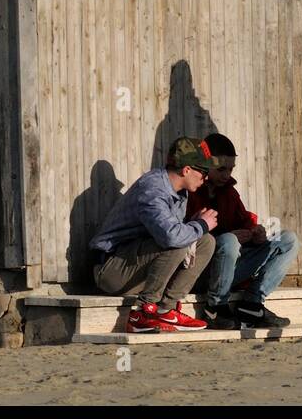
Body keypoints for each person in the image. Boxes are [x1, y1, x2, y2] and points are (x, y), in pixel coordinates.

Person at [89, 136, 219, 334]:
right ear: (186, 170)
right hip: (111, 271)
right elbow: (170, 237)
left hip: (136, 268)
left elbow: (172, 232)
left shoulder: (179, 190)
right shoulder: (153, 190)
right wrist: (200, 224)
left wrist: (194, 226)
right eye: (204, 172)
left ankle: (166, 308)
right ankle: (143, 313)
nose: (206, 178)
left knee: (206, 241)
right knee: (178, 241)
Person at [186, 132, 300, 330]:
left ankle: (252, 303)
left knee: (288, 239)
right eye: (221, 169)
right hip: (199, 272)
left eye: (230, 169)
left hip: (229, 267)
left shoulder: (228, 191)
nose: (227, 175)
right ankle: (215, 306)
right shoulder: (189, 190)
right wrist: (225, 238)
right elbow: (182, 238)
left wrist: (255, 233)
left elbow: (245, 221)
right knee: (228, 241)